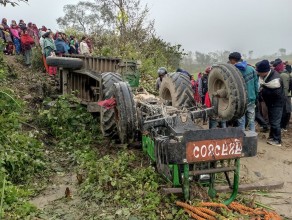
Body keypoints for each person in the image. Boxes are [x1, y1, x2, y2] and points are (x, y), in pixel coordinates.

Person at [257, 60, 285, 146]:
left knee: (275, 122)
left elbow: (276, 93)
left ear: (264, 71)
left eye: (259, 72)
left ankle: (277, 140)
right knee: (272, 120)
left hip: (276, 103)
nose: (258, 74)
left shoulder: (275, 79)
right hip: (271, 103)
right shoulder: (267, 76)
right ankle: (272, 137)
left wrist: (263, 90)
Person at [229, 52, 258, 132]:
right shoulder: (251, 69)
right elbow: (256, 85)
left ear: (232, 60)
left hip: (240, 101)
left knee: (241, 121)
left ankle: (242, 137)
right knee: (251, 120)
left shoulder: (233, 71)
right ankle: (252, 136)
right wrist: (256, 96)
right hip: (251, 98)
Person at [273, 59, 291, 131]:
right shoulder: (281, 73)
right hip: (284, 96)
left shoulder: (283, 75)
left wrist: (283, 97)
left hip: (285, 96)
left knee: (285, 111)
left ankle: (283, 126)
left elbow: (285, 88)